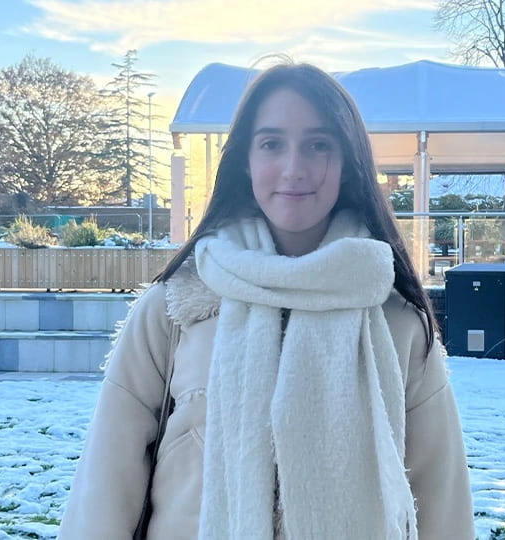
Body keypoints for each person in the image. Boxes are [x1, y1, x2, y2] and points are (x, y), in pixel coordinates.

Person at [57, 61, 475, 540]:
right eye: (272, 143)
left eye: (319, 145)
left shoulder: (395, 320)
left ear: (348, 163)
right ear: (245, 160)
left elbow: (442, 501)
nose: (294, 168)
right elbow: (105, 486)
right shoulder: (176, 307)